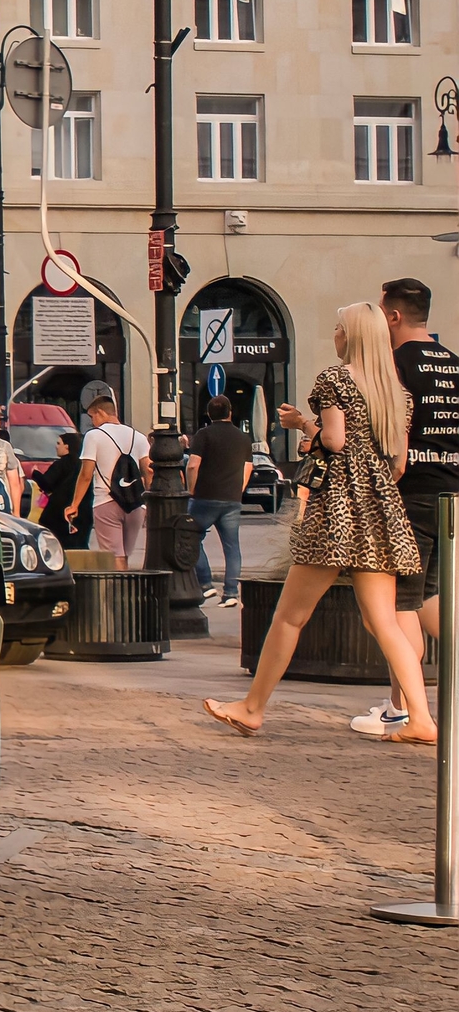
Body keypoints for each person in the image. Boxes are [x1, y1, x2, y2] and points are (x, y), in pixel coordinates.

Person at [204, 303, 429, 743]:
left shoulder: (335, 379)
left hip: (338, 509)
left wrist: (300, 423)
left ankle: (252, 708)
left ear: (352, 336)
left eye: (338, 328)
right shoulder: (396, 393)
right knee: (385, 621)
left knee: (290, 616)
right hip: (381, 509)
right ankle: (420, 717)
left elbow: (333, 440)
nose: (335, 334)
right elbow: (399, 463)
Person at [365, 278, 458, 737]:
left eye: (382, 313)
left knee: (400, 604)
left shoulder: (393, 367)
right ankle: (404, 708)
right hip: (452, 497)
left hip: (410, 495)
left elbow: (389, 437)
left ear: (394, 316)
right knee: (432, 599)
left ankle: (403, 710)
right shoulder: (454, 365)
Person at [66, 386, 150, 570]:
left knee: (113, 558)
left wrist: (75, 505)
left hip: (106, 502)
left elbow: (86, 475)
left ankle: (117, 597)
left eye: (92, 417)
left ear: (101, 412)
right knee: (125, 557)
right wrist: (149, 504)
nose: (92, 422)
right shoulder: (140, 437)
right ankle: (126, 595)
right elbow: (148, 471)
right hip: (136, 505)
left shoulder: (94, 436)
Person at [185, 394, 252, 607]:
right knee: (232, 547)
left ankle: (206, 584)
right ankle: (231, 593)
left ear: (209, 414)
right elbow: (248, 467)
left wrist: (191, 489)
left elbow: (193, 465)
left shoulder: (203, 435)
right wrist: (238, 489)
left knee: (191, 538)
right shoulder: (243, 438)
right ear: (230, 412)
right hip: (231, 499)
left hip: (205, 497)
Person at [34, 431, 83, 549]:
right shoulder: (82, 464)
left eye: (58, 443)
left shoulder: (61, 464)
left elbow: (47, 483)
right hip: (80, 511)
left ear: (67, 446)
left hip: (57, 511)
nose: (56, 446)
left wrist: (35, 473)